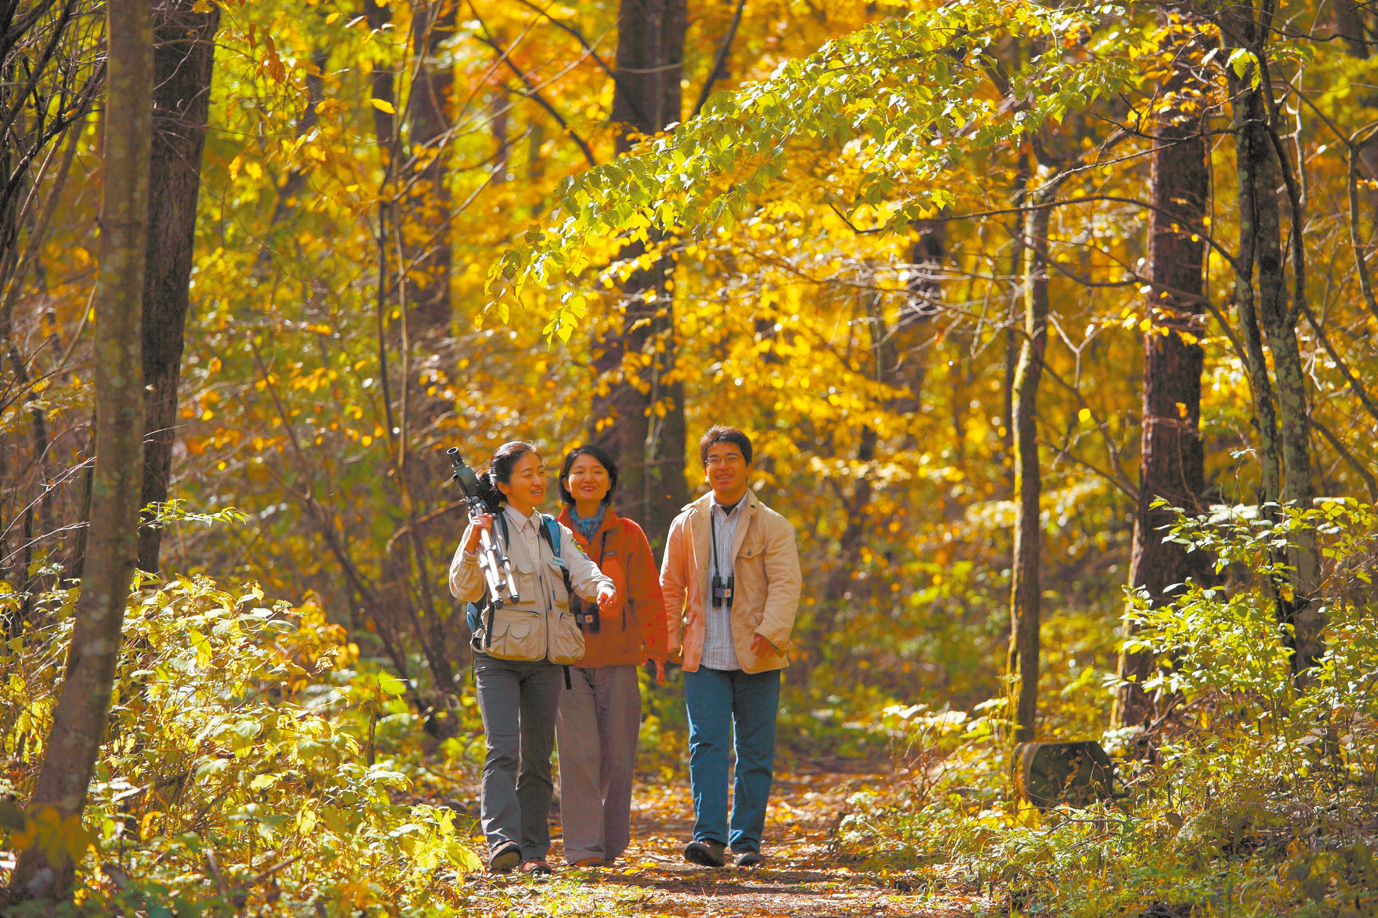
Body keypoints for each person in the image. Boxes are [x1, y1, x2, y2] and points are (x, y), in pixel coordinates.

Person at [449, 441, 617, 875]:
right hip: (498, 658)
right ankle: (502, 843)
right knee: (502, 750)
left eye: (540, 471)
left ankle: (533, 851)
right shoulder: (486, 527)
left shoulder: (552, 529)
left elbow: (581, 570)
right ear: (503, 485)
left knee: (539, 757)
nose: (539, 480)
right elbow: (463, 589)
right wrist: (471, 542)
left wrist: (602, 588)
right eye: (527, 474)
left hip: (546, 659)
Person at [660, 426, 801, 868]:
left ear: (748, 465)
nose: (722, 466)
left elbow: (786, 584)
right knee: (706, 745)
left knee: (755, 751)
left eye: (731, 458)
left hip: (758, 652)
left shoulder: (773, 524)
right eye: (714, 459)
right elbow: (670, 585)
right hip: (703, 653)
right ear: (705, 470)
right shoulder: (686, 522)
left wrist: (771, 630)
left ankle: (746, 842)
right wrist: (668, 642)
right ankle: (709, 838)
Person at [553, 444, 669, 868]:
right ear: (565, 482)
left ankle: (611, 840)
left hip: (619, 655)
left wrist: (656, 647)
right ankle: (584, 848)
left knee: (618, 753)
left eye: (597, 471)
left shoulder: (629, 533)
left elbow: (648, 596)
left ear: (609, 480)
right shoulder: (549, 530)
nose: (588, 479)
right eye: (578, 472)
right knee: (578, 753)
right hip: (567, 657)